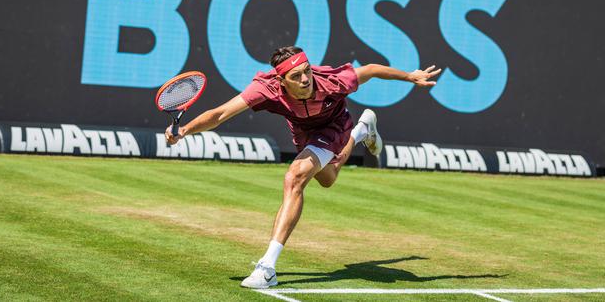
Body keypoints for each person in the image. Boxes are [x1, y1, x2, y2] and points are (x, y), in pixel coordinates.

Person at [164, 46, 442, 289]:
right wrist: (185, 130)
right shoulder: (266, 88)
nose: (305, 79)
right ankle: (361, 132)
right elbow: (220, 114)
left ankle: (266, 268)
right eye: (296, 77)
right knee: (328, 178)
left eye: (307, 71)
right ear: (281, 81)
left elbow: (369, 70)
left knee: (294, 178)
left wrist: (410, 76)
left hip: (333, 126)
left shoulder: (332, 81)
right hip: (303, 133)